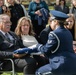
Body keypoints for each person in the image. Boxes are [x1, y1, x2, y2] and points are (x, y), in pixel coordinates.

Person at [14, 10, 76, 75]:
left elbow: (45, 50)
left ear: (56, 22)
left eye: (51, 21)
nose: (50, 23)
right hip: (72, 64)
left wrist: (37, 46)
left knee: (38, 72)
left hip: (60, 65)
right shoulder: (68, 32)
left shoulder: (54, 34)